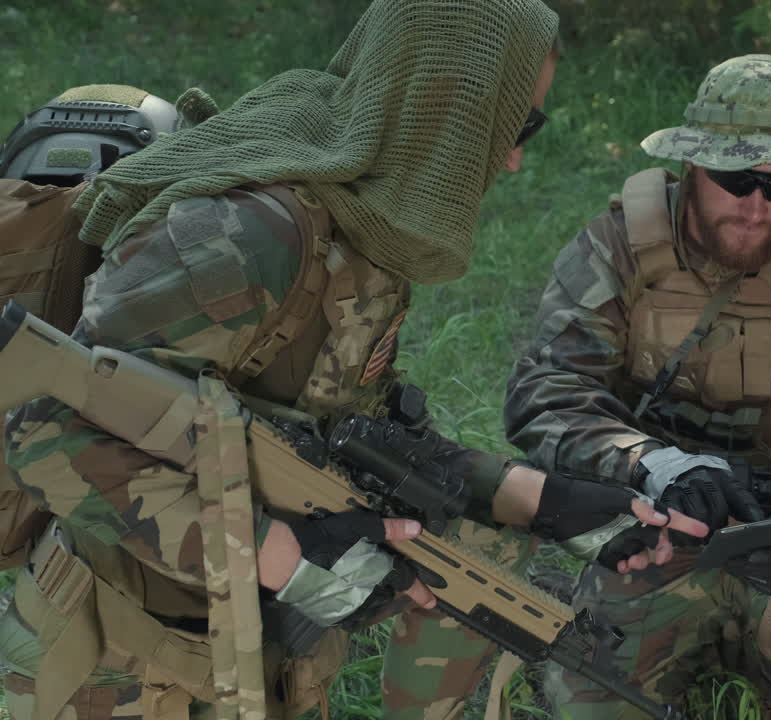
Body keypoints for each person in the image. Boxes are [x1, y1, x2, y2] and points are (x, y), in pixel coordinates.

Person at [0, 2, 704, 719]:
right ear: (448, 111)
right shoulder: (249, 235)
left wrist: (547, 501)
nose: (516, 157)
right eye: (514, 126)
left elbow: (350, 442)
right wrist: (280, 553)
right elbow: (44, 430)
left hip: (248, 658)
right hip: (107, 666)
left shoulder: (363, 232)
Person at [383, 53, 771, 719]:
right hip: (657, 518)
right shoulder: (623, 244)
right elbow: (545, 390)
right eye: (735, 178)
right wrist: (653, 465)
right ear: (691, 167)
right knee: (587, 692)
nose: (756, 205)